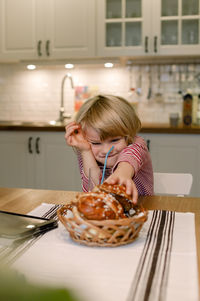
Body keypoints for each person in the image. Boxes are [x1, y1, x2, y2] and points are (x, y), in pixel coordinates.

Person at [65, 94, 153, 204]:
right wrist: (86, 151)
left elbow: (130, 157)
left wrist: (122, 174)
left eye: (114, 140)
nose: (106, 150)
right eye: (96, 143)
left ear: (128, 134)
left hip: (144, 212)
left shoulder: (137, 144)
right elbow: (93, 193)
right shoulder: (87, 150)